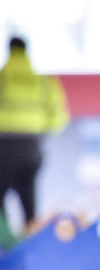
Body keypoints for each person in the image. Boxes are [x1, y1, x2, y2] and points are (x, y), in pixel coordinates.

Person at [0, 36, 69, 234]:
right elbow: (58, 119)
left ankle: (5, 249)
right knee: (29, 201)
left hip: (2, 145)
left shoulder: (2, 78)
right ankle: (29, 245)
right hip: (31, 146)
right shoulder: (42, 81)